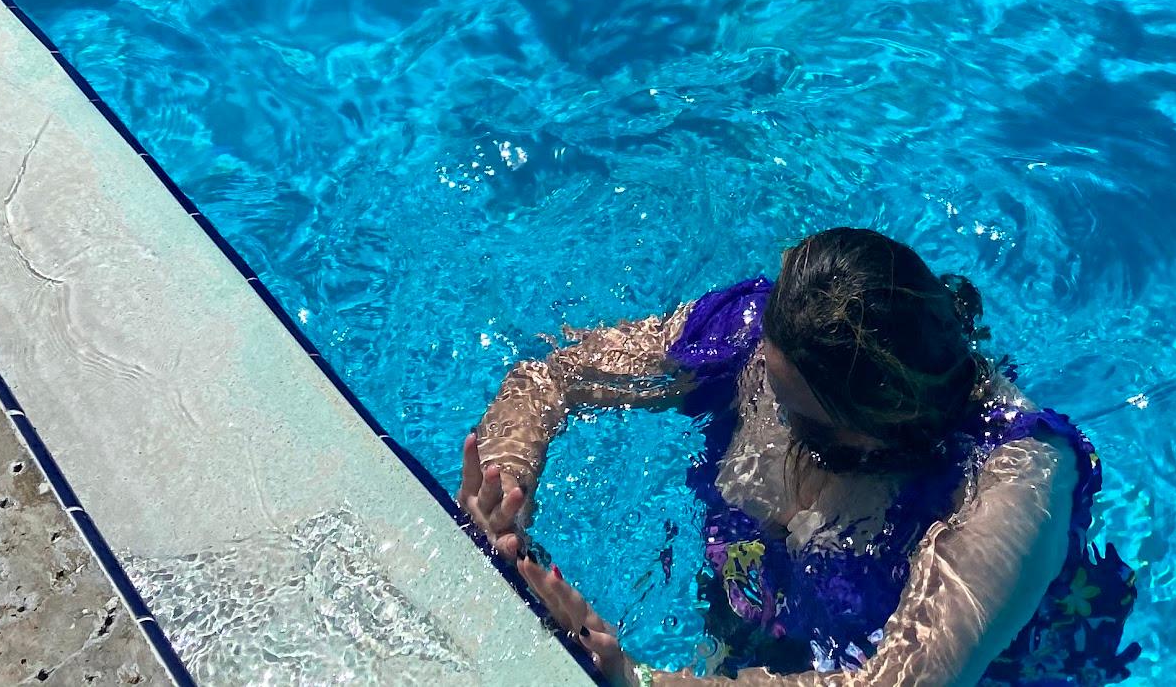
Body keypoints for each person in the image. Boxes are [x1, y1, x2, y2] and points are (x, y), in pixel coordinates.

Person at [457, 227, 1139, 687]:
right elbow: (554, 377)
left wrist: (643, 682)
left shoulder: (1011, 477)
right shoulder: (755, 336)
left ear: (877, 421)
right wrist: (503, 481)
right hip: (774, 615)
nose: (761, 400)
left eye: (791, 408)